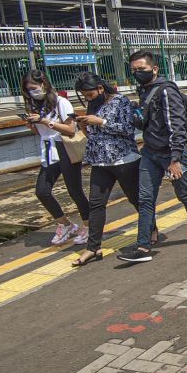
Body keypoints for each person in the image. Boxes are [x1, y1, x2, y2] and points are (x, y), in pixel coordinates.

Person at [118, 51, 187, 263]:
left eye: (142, 69)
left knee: (183, 193)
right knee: (145, 198)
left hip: (171, 155)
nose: (138, 74)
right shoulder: (144, 90)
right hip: (150, 152)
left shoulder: (167, 91)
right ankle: (143, 246)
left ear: (154, 69)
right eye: (134, 71)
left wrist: (175, 159)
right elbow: (146, 123)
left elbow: (177, 126)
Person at [71, 73, 158, 266]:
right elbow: (93, 134)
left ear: (101, 88)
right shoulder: (93, 105)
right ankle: (93, 248)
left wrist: (100, 122)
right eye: (85, 95)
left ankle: (152, 228)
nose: (88, 98)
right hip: (100, 162)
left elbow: (128, 129)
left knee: (136, 199)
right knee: (96, 204)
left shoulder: (120, 101)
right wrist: (84, 125)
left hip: (124, 160)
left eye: (90, 94)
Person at [21, 70, 90, 246]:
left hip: (65, 148)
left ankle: (89, 226)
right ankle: (65, 224)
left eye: (34, 88)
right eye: (29, 90)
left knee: (75, 191)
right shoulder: (35, 106)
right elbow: (40, 133)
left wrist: (45, 121)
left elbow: (70, 129)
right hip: (49, 151)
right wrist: (31, 125)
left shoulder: (62, 102)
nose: (32, 92)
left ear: (44, 84)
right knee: (42, 191)